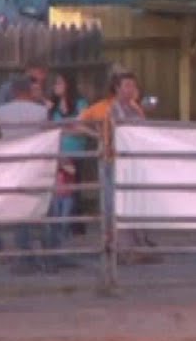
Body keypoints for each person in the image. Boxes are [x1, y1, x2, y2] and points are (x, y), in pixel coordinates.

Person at [78, 71, 158, 263]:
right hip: (112, 160)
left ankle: (134, 247)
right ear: (117, 88)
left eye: (133, 85)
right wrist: (98, 136)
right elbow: (79, 122)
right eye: (127, 85)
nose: (131, 89)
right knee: (114, 204)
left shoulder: (135, 108)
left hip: (132, 162)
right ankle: (117, 249)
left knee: (133, 204)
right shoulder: (103, 107)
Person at [0, 77, 51, 274]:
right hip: (35, 164)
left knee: (18, 209)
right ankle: (42, 253)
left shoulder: (1, 112)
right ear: (29, 91)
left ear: (14, 91)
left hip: (11, 165)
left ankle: (22, 253)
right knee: (38, 207)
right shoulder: (41, 112)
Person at [46, 72, 88, 269]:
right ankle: (59, 230)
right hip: (57, 153)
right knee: (58, 194)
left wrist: (62, 128)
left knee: (73, 193)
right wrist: (66, 126)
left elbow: (82, 127)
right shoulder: (52, 107)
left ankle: (72, 230)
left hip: (75, 153)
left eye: (60, 82)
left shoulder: (80, 103)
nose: (56, 85)